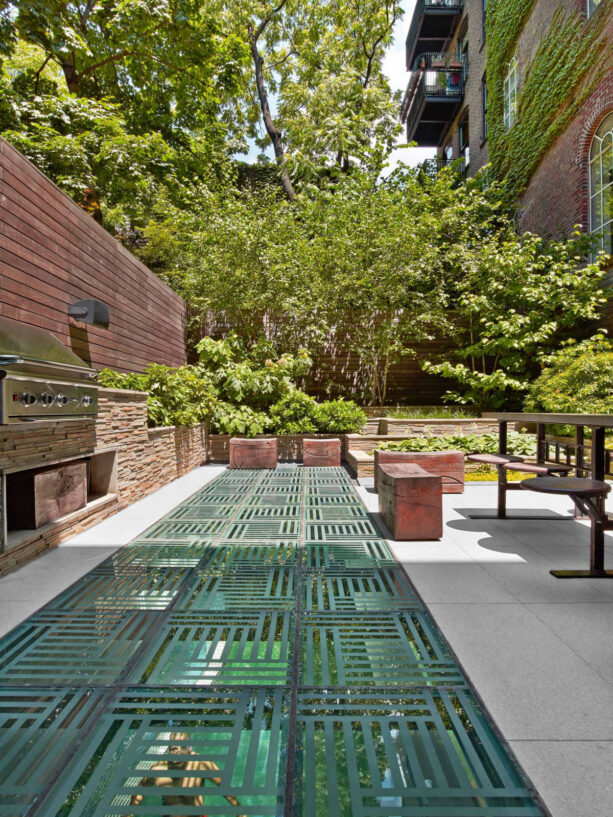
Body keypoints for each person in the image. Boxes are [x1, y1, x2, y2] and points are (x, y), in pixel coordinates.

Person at [130, 733, 247, 817]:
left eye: (183, 747)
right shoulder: (157, 769)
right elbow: (141, 789)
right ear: (168, 751)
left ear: (190, 750)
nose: (178, 753)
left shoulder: (201, 764)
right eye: (174, 749)